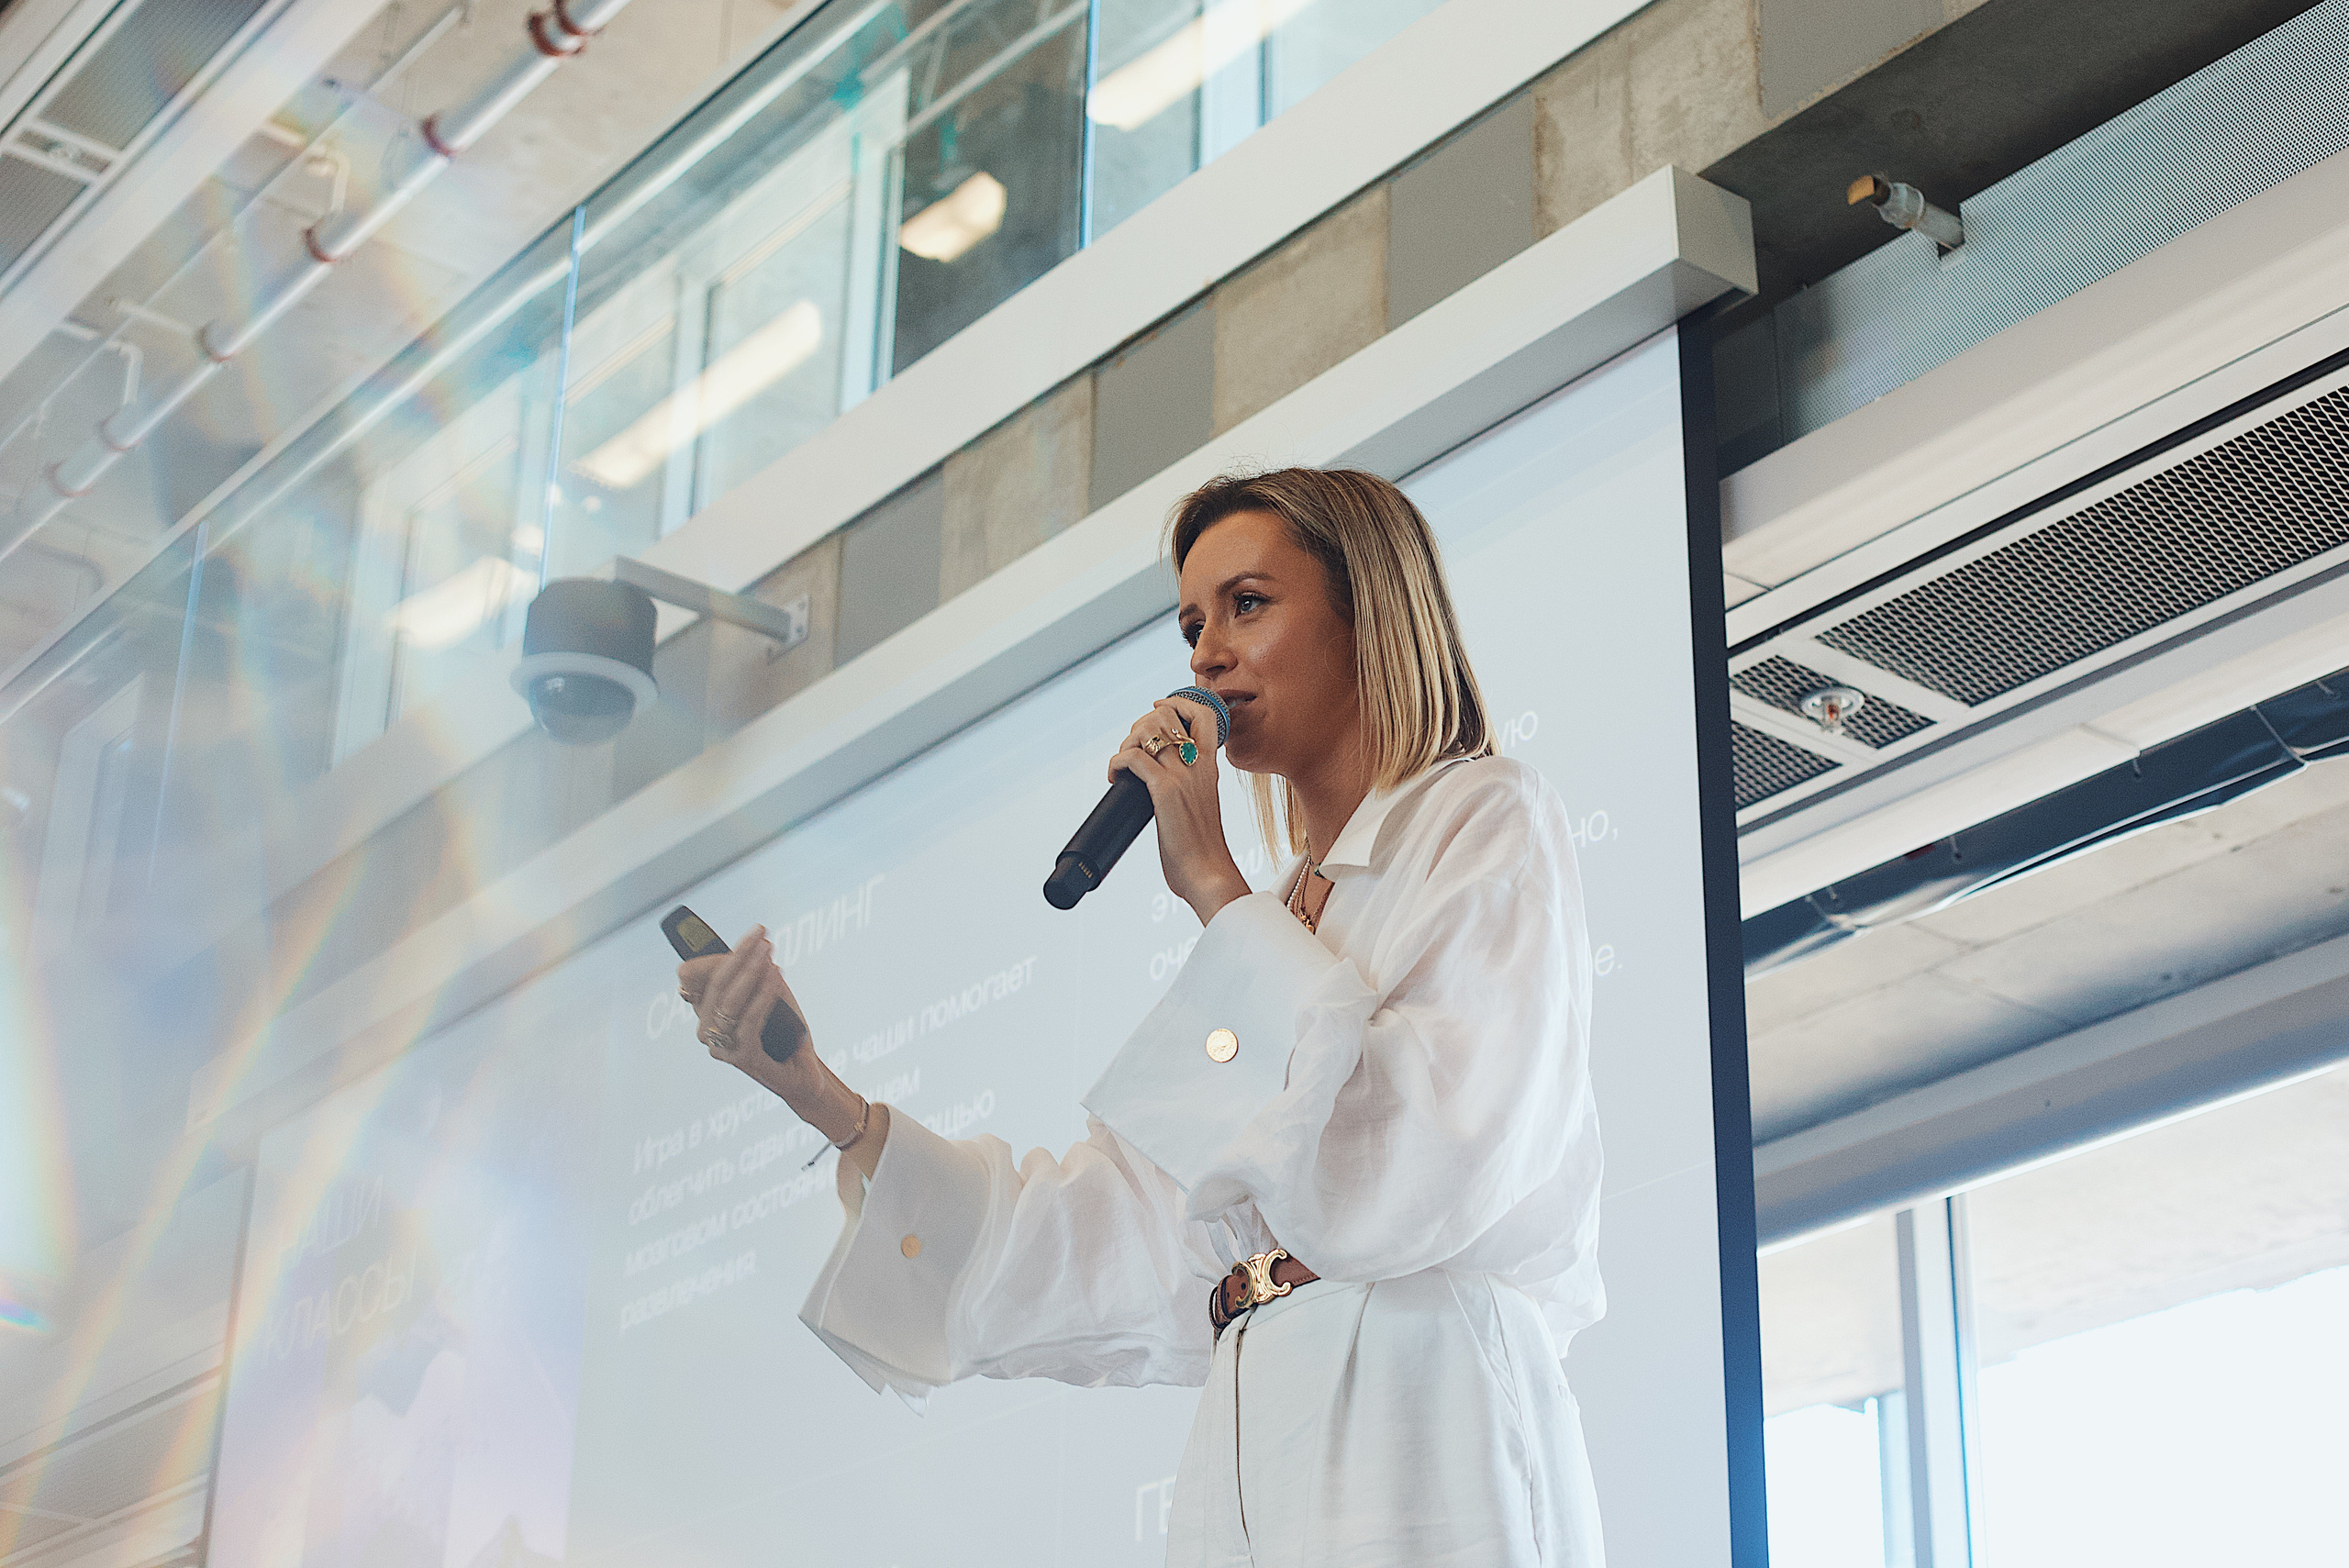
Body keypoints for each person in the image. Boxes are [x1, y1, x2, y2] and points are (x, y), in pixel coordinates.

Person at [676, 467, 1605, 1566]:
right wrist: (820, 1097)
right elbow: (1123, 1228)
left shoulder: (1481, 816)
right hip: (1249, 1440)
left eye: (1247, 604)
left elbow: (1416, 1156)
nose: (1206, 652)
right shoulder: (1274, 921)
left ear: (1369, 610)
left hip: (1420, 1413)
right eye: (1191, 623)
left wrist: (1213, 882)